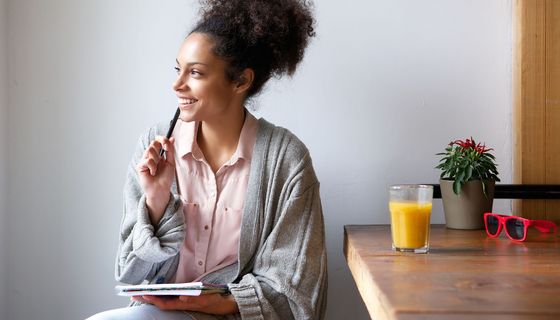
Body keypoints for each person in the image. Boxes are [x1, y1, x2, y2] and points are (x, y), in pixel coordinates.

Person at [87, 0, 327, 319]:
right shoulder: (155, 146)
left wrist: (223, 303)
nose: (177, 84)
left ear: (241, 81)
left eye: (195, 72)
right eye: (178, 69)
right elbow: (129, 272)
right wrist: (157, 201)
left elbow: (296, 289)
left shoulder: (287, 159)